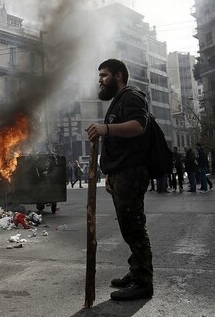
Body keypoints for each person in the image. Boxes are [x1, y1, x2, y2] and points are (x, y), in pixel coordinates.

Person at [86, 58, 153, 301]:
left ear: (119, 75)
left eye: (104, 75)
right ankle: (136, 272)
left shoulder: (132, 96)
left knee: (134, 228)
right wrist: (111, 174)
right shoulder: (118, 101)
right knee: (128, 226)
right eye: (100, 76)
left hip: (132, 173)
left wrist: (106, 129)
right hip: (121, 173)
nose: (100, 80)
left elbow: (138, 126)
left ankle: (143, 282)